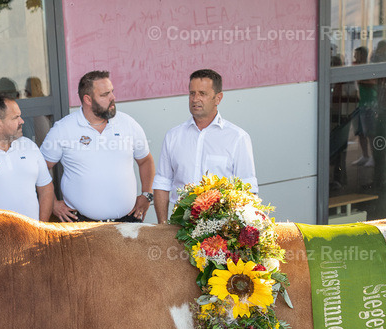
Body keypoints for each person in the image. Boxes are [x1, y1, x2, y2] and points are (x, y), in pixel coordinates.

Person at [41, 70, 155, 223]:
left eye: (112, 92)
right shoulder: (63, 129)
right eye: (105, 94)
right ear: (88, 99)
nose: (113, 98)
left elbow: (145, 160)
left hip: (128, 221)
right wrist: (53, 204)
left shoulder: (128, 124)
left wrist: (147, 195)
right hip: (81, 225)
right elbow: (40, 169)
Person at [153, 69, 257, 223]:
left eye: (202, 93)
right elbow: (162, 183)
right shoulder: (173, 136)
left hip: (221, 230)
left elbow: (248, 190)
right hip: (179, 228)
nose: (195, 99)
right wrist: (162, 226)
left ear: (218, 98)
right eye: (192, 93)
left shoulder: (237, 138)